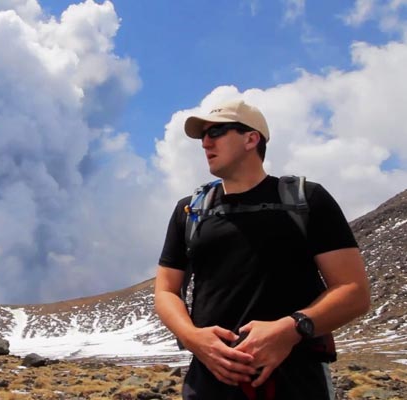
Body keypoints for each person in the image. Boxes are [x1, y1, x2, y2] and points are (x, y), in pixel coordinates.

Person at [154, 99, 370, 399]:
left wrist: (291, 329)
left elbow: (354, 291)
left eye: (216, 132)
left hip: (295, 382)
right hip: (208, 382)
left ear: (251, 138)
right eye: (203, 136)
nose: (205, 142)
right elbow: (165, 290)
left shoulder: (306, 200)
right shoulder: (190, 211)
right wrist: (193, 339)